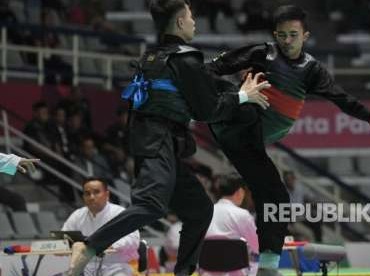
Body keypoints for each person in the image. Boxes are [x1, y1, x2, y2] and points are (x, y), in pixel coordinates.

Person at [66, 0, 270, 275]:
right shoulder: (184, 58)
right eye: (190, 16)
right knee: (150, 205)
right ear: (179, 22)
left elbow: (202, 77)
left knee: (199, 210)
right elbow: (207, 110)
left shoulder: (155, 57)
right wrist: (244, 96)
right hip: (158, 141)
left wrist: (236, 75)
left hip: (158, 143)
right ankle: (89, 246)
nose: (195, 21)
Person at [208, 5, 370, 275]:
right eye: (282, 35)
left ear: (305, 35)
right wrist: (235, 94)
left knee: (278, 200)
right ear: (275, 34)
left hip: (251, 144)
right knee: (248, 104)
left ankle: (267, 267)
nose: (287, 41)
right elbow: (211, 68)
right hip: (233, 122)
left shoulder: (311, 69)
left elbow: (339, 96)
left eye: (293, 35)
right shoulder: (262, 53)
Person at [62, 178, 140, 276]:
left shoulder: (120, 213)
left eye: (96, 192)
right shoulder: (78, 215)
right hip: (86, 266)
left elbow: (133, 239)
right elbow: (63, 237)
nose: (91, 197)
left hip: (117, 265)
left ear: (107, 195)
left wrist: (110, 244)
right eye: (87, 193)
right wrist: (62, 247)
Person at [206, 175, 259, 275]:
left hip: (206, 271)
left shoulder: (205, 213)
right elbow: (257, 246)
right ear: (240, 192)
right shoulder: (242, 215)